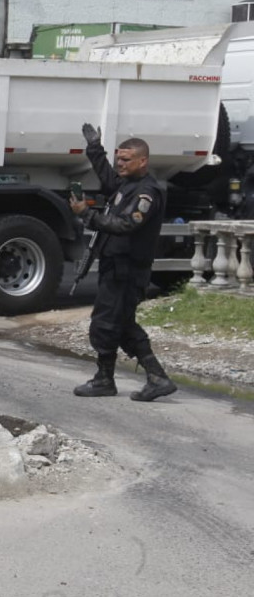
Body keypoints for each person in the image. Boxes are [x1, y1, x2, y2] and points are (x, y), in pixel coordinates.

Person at [69, 123, 177, 402]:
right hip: (116, 268)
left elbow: (126, 223)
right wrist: (95, 148)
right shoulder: (127, 184)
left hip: (127, 271)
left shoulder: (146, 192)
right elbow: (107, 176)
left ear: (143, 161)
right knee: (123, 324)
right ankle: (157, 378)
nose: (120, 164)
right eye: (119, 158)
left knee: (105, 323)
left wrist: (87, 215)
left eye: (127, 159)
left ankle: (105, 380)